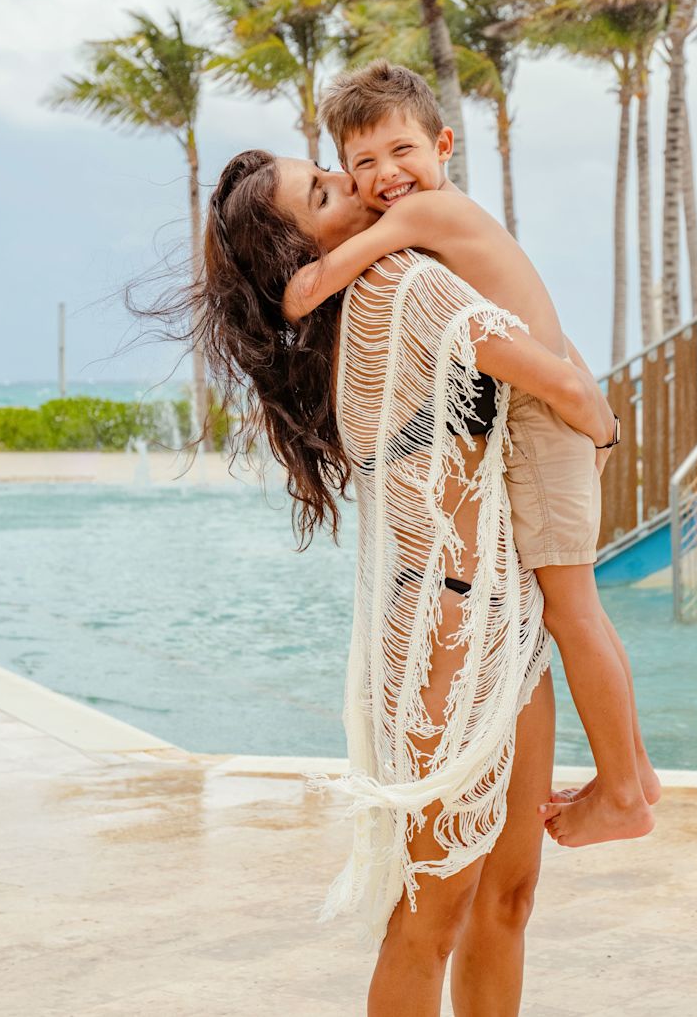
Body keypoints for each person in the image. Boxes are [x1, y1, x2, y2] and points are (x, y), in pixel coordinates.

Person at [196, 147, 614, 1016]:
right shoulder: (404, 288)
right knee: (439, 912)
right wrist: (600, 427)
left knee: (501, 897)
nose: (354, 184)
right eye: (324, 191)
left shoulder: (365, 302)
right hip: (450, 632)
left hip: (501, 619)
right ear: (298, 251)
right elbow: (562, 382)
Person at [283, 60, 660, 849]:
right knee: (573, 606)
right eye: (363, 164)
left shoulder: (428, 216)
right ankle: (636, 773)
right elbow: (528, 325)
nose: (387, 175)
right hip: (545, 413)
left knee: (572, 607)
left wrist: (288, 281)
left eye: (402, 149)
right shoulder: (446, 218)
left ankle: (625, 791)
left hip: (541, 422)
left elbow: (310, 288)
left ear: (443, 143)